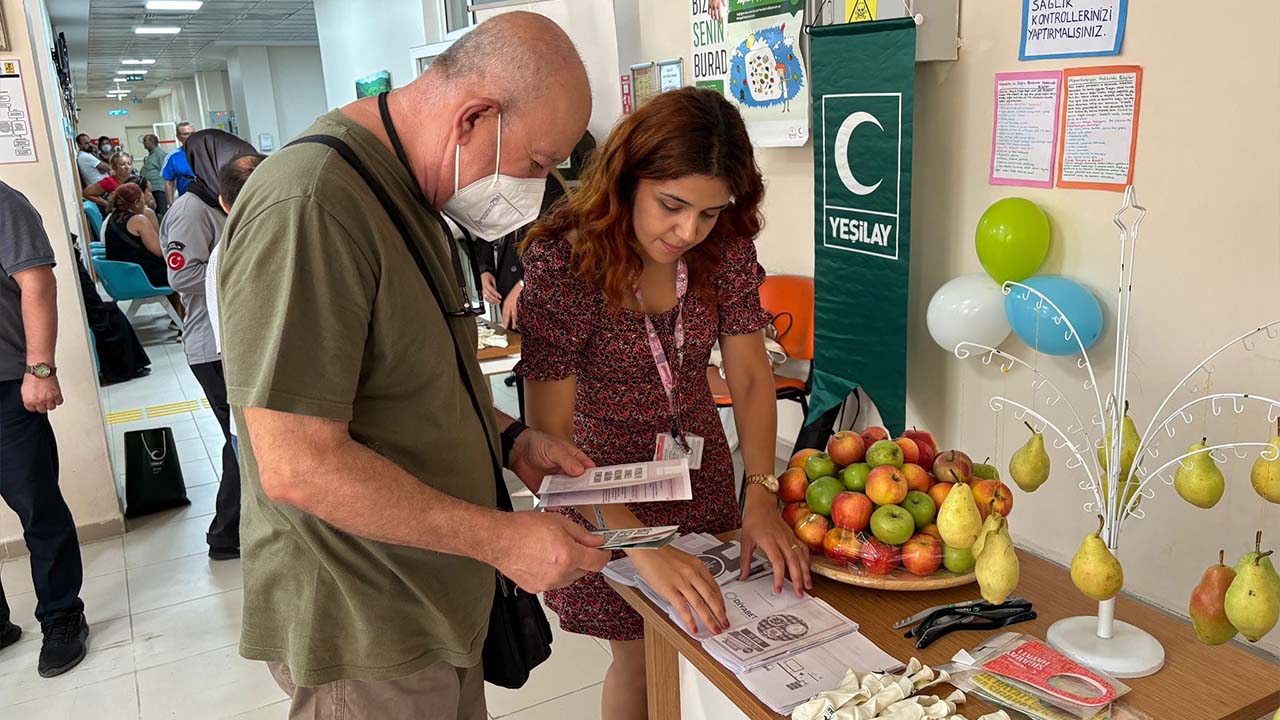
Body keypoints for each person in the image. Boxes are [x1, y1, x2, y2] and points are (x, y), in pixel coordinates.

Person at [218, 13, 608, 718]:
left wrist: (511, 439)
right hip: (366, 627)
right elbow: (297, 462)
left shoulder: (413, 195)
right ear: (474, 118)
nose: (538, 189)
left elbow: (414, 378)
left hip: (432, 602)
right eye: (539, 164)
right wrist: (501, 539)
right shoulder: (312, 204)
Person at [516, 87, 810, 720]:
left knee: (710, 646)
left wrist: (758, 489)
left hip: (695, 469)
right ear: (626, 179)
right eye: (671, 206)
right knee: (639, 655)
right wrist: (640, 545)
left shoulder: (721, 245)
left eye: (707, 212)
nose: (686, 231)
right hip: (597, 487)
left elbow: (753, 377)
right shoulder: (565, 263)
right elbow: (547, 440)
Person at [0, 181, 90, 678]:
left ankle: (61, 615)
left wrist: (40, 369)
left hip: (6, 385)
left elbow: (37, 284)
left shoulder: (3, 204)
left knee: (36, 504)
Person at [162, 129, 257, 560]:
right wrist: (242, 273)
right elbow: (182, 277)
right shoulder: (191, 211)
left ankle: (236, 528)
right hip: (212, 345)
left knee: (244, 438)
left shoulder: (234, 202)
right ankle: (225, 533)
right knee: (241, 439)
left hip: (239, 337)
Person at [204, 151, 265, 457]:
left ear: (223, 203)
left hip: (249, 419)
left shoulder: (221, 255)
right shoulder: (291, 245)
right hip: (274, 426)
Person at [162, 122, 196, 200]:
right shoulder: (173, 157)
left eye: (192, 133)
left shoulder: (207, 152)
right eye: (186, 134)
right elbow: (168, 183)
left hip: (210, 200)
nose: (190, 136)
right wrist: (171, 205)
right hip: (187, 200)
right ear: (178, 137)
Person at [140, 134, 170, 215]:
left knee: (162, 212)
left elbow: (165, 171)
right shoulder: (152, 154)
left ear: (151, 142)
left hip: (158, 189)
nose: (143, 143)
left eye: (145, 141)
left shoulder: (159, 154)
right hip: (152, 189)